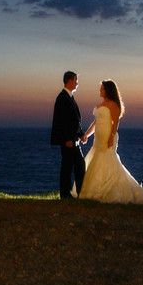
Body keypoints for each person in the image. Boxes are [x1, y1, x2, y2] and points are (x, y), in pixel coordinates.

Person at [75, 79, 143, 204]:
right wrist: (86, 135)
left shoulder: (113, 104)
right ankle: (94, 189)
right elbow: (95, 122)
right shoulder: (101, 104)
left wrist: (111, 137)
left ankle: (108, 190)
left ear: (108, 90)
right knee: (97, 159)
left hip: (107, 136)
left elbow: (115, 122)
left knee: (107, 160)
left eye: (102, 88)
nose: (100, 90)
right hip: (98, 138)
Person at [49, 70, 86, 198]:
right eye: (76, 80)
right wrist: (66, 139)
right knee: (68, 167)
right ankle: (65, 194)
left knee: (78, 165)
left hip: (74, 139)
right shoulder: (62, 98)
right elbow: (62, 121)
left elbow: (74, 121)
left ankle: (79, 192)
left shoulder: (69, 97)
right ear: (69, 81)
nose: (77, 83)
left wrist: (81, 134)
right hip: (68, 141)